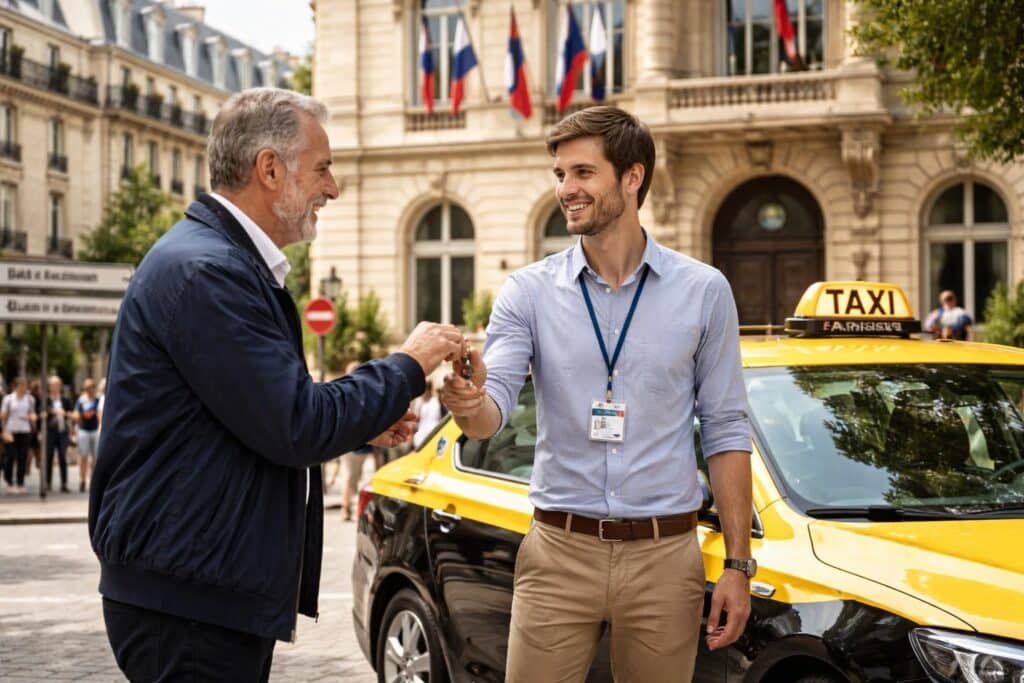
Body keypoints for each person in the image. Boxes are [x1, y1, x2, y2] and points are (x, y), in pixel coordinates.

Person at [88, 87, 465, 682]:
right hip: (188, 603)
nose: (333, 188)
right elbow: (295, 422)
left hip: (196, 589)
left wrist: (364, 416)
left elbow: (261, 419)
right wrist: (408, 365)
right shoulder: (208, 272)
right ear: (269, 169)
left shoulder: (216, 262)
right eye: (322, 168)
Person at [440, 106, 754, 682]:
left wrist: (738, 565)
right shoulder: (527, 292)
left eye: (583, 173)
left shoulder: (704, 291)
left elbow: (727, 428)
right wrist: (468, 400)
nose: (566, 190)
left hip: (666, 556)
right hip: (559, 551)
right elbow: (491, 413)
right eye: (560, 175)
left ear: (631, 178)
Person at [1, 377, 36, 494]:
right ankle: (9, 481)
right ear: (15, 386)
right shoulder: (8, 399)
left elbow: (32, 414)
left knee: (22, 458)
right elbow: (3, 416)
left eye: (25, 385)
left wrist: (31, 417)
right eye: (21, 386)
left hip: (24, 431)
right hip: (11, 431)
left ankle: (20, 483)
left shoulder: (30, 399)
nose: (24, 388)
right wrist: (4, 431)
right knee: (10, 456)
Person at [42, 375, 74, 494]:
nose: (55, 387)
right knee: (49, 457)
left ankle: (64, 484)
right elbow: (40, 413)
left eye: (57, 385)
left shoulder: (65, 400)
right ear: (49, 386)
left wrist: (64, 413)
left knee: (62, 457)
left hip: (62, 432)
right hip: (50, 432)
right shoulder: (45, 400)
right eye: (53, 385)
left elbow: (73, 414)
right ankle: (48, 482)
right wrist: (50, 412)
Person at [74, 378, 101, 493]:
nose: (91, 389)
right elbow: (76, 414)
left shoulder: (98, 400)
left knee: (95, 458)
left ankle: (93, 481)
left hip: (95, 430)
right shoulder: (81, 400)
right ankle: (82, 480)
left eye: (92, 387)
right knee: (83, 457)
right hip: (84, 430)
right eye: (88, 387)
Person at [412, 382, 443, 446]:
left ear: (429, 391)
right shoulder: (420, 403)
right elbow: (416, 419)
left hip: (434, 431)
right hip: (421, 434)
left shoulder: (436, 401)